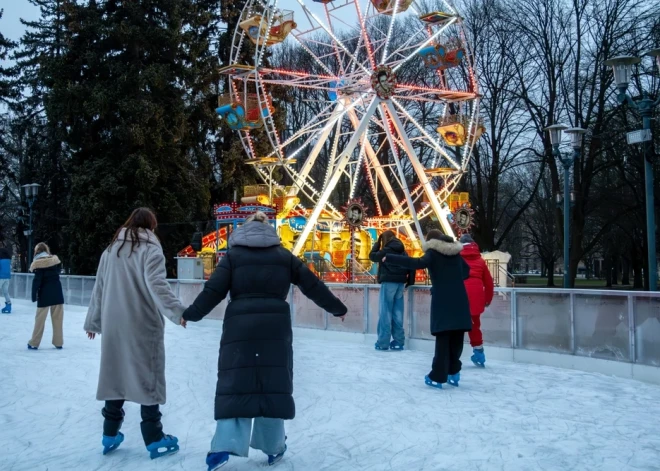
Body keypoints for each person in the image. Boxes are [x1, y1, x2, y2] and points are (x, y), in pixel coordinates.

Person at [181, 211, 347, 471]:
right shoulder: (283, 256)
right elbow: (312, 285)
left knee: (235, 383)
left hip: (239, 325)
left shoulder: (233, 257)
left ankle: (222, 448)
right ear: (270, 232)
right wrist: (337, 308)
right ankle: (274, 446)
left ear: (243, 231)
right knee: (272, 385)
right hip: (275, 326)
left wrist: (191, 314)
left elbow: (213, 291)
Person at [84, 208, 186, 459]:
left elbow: (100, 287)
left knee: (115, 376)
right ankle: (154, 437)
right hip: (142, 323)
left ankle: (109, 433)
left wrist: (93, 322)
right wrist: (178, 312)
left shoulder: (111, 250)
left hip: (113, 323)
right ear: (151, 226)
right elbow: (157, 285)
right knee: (147, 376)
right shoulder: (151, 249)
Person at [384, 230, 470, 389]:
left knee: (443, 339)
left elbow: (415, 263)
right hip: (460, 300)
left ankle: (438, 376)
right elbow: (466, 272)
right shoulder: (456, 254)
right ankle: (454, 372)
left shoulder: (433, 253)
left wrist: (389, 257)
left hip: (443, 301)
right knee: (457, 337)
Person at [369, 230, 415, 351]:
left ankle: (383, 342)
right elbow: (411, 265)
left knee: (385, 312)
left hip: (388, 282)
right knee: (398, 313)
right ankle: (399, 341)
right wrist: (410, 282)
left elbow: (372, 256)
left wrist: (377, 245)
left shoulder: (386, 250)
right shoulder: (403, 251)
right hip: (400, 283)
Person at [460, 234, 494, 367]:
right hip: (476, 296)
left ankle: (452, 357)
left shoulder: (457, 258)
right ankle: (479, 352)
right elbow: (489, 283)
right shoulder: (480, 261)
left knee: (456, 327)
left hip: (460, 295)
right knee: (474, 325)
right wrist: (488, 299)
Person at [27, 243, 65, 350]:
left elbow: (37, 281)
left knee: (40, 320)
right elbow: (57, 273)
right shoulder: (55, 261)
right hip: (57, 293)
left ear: (37, 251)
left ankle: (34, 342)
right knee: (58, 319)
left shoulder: (38, 263)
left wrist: (34, 295)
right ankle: (58, 342)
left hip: (44, 295)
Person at [0, 245, 11, 314]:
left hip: (0, 277)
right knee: (5, 292)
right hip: (7, 277)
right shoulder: (8, 260)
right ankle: (8, 305)